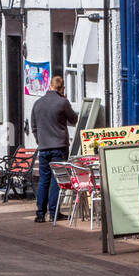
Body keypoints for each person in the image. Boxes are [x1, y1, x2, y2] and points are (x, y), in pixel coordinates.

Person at [30, 75, 78, 223]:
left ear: (50, 86)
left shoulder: (37, 103)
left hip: (43, 147)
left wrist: (40, 140)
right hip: (59, 146)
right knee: (57, 180)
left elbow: (33, 126)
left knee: (44, 179)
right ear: (62, 88)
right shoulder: (62, 102)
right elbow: (74, 119)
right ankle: (54, 212)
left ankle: (40, 213)